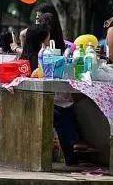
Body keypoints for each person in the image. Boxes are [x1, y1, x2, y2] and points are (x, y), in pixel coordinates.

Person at [21, 24, 82, 166]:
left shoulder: (27, 56)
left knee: (63, 109)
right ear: (42, 39)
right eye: (47, 36)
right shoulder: (43, 55)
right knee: (63, 110)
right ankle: (70, 154)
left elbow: (24, 34)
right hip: (43, 102)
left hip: (34, 101)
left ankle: (70, 153)